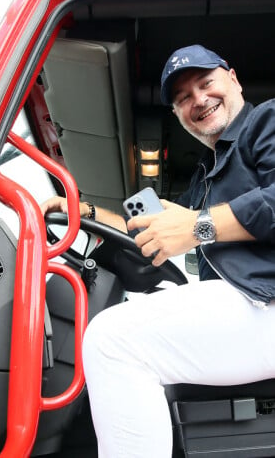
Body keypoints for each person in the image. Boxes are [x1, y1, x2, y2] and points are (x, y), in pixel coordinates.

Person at [41, 44, 275, 457]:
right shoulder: (206, 178)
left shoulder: (266, 122)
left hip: (264, 301)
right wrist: (88, 212)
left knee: (112, 341)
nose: (198, 100)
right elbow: (149, 231)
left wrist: (199, 227)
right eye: (184, 97)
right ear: (177, 114)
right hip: (250, 312)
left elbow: (204, 223)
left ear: (233, 79)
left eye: (206, 84)